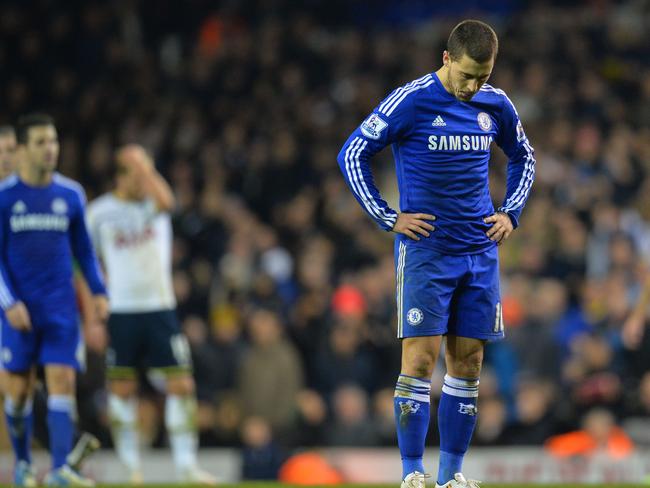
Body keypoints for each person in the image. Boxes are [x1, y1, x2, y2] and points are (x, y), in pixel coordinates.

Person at [337, 20, 535, 488]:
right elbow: (353, 153)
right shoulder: (411, 100)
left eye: (483, 77)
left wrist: (510, 212)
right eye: (467, 75)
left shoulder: (496, 103)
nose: (473, 86)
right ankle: (411, 474)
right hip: (427, 253)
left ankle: (451, 476)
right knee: (420, 364)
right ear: (446, 59)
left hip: (480, 254)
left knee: (467, 366)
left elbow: (524, 156)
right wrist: (388, 217)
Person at [86, 144, 216, 485]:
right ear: (120, 174)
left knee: (181, 385)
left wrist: (146, 169)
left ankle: (186, 467)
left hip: (160, 307)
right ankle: (131, 468)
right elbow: (85, 265)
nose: (144, 175)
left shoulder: (154, 202)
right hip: (122, 310)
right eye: (136, 170)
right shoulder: (98, 212)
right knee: (122, 389)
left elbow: (170, 202)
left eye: (148, 168)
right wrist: (92, 316)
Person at [0, 113, 109, 487]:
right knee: (18, 392)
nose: (51, 149)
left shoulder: (71, 195)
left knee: (62, 381)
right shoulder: (4, 197)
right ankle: (25, 465)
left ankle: (62, 470)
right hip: (19, 312)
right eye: (42, 142)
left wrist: (98, 292)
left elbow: (84, 251)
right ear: (24, 149)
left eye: (54, 141)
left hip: (60, 309)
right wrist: (8, 303)